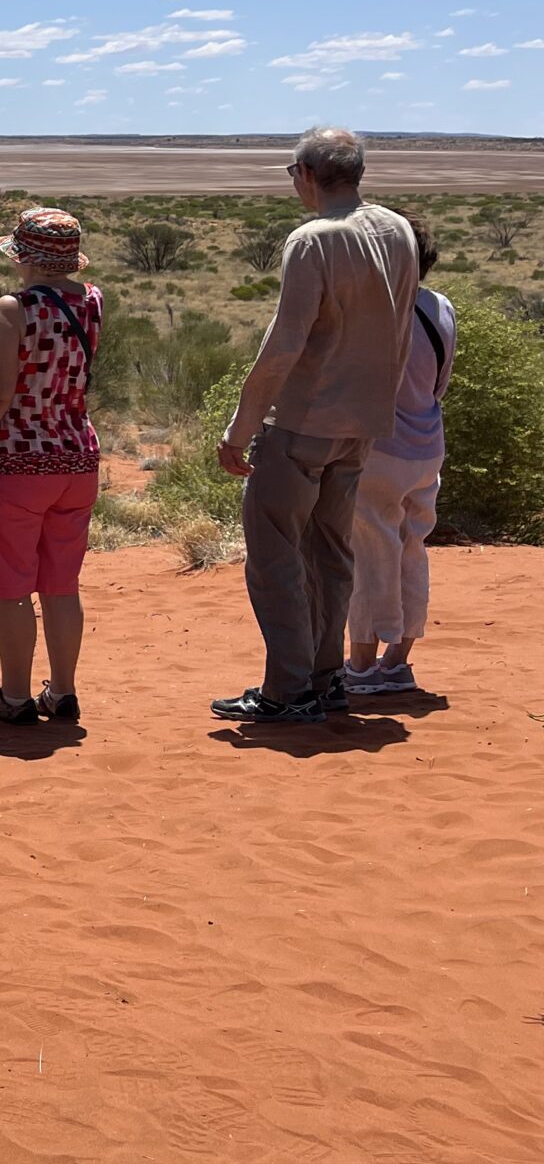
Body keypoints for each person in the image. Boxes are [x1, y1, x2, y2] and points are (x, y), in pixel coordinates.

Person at [212, 127, 419, 724]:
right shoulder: (396, 228)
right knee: (331, 553)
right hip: (364, 423)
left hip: (304, 424)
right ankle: (326, 679)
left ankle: (287, 690)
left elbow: (285, 343)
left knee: (276, 558)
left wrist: (240, 426)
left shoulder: (313, 240)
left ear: (306, 173)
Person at [0, 208, 102, 725]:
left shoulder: (12, 309)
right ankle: (63, 692)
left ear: (23, 256)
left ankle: (15, 697)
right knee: (63, 583)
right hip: (77, 456)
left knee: (13, 586)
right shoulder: (91, 301)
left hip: (16, 462)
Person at [345, 212, 452, 696]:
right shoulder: (440, 308)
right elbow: (439, 384)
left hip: (376, 453)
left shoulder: (370, 313)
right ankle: (398, 662)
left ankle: (362, 667)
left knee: (369, 557)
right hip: (427, 448)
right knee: (413, 549)